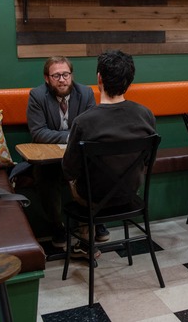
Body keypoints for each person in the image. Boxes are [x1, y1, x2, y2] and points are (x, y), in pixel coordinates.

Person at [62, 50, 156, 257]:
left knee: (72, 178)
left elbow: (69, 170)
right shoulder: (145, 115)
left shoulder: (83, 122)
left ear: (99, 78)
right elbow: (148, 160)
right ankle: (95, 234)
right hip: (131, 195)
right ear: (129, 82)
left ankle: (86, 243)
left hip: (93, 200)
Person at [26, 56, 104, 248]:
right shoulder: (37, 95)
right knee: (45, 175)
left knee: (97, 168)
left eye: (65, 74)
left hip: (79, 156)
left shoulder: (85, 93)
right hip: (50, 159)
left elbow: (91, 127)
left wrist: (72, 138)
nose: (62, 79)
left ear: (71, 75)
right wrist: (71, 137)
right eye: (56, 75)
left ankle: (93, 220)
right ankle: (57, 225)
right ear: (47, 78)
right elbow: (38, 132)